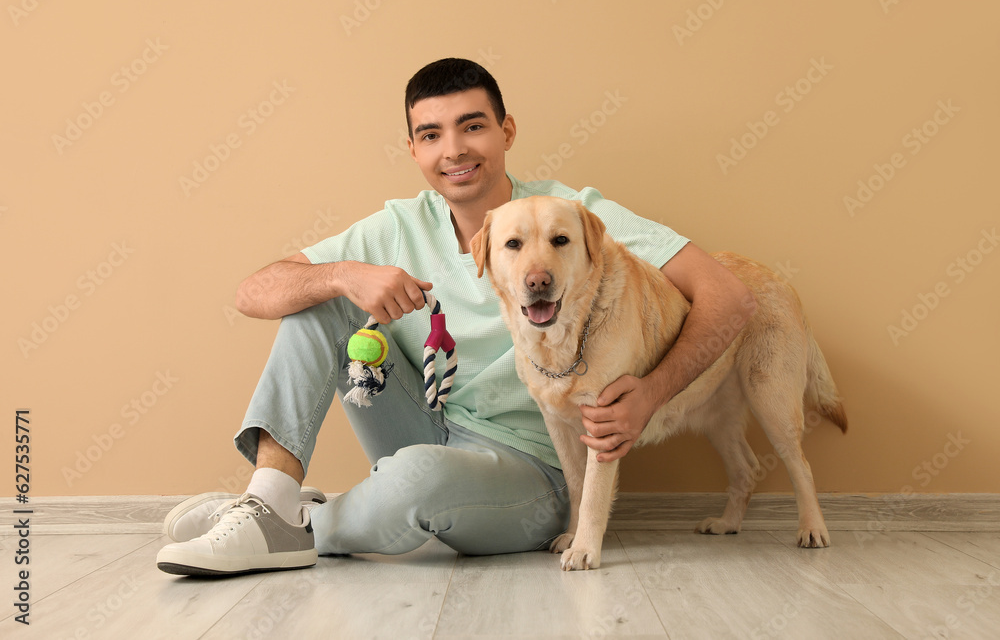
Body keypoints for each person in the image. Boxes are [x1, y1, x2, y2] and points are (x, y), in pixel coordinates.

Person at [155, 58, 756, 576]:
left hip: (532, 470)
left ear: (506, 131)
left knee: (419, 478)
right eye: (431, 134)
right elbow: (253, 292)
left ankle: (298, 525)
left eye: (472, 127)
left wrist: (650, 394)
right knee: (319, 303)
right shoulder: (398, 227)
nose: (455, 150)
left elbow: (730, 297)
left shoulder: (572, 215)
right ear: (413, 149)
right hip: (425, 422)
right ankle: (269, 500)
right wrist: (344, 274)